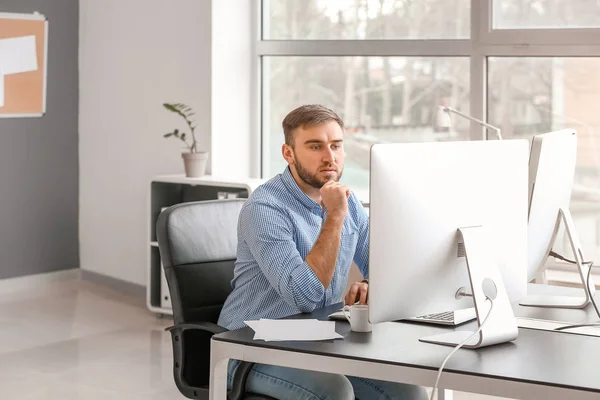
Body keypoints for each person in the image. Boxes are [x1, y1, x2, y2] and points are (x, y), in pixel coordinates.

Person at [218, 104, 427, 400]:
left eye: (336, 146)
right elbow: (304, 296)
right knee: (334, 391)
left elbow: (384, 267)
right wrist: (334, 216)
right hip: (251, 345)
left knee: (409, 393)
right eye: (315, 146)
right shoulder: (265, 209)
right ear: (288, 153)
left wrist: (368, 285)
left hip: (316, 338)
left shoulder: (346, 201)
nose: (330, 157)